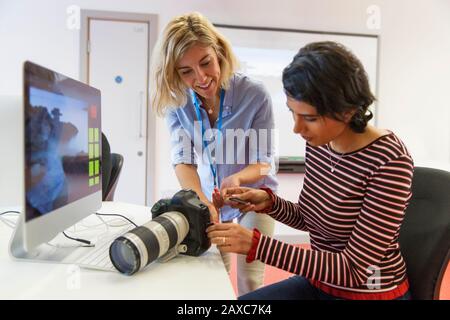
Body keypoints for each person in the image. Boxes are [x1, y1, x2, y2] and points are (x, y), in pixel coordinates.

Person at [207, 41, 413, 300]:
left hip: (369, 292)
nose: (297, 129)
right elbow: (313, 219)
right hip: (320, 283)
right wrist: (269, 203)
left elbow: (354, 270)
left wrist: (257, 245)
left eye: (310, 118)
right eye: (293, 113)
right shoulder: (320, 144)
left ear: (347, 110)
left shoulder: (390, 160)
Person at [150, 12, 278, 296]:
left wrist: (238, 179)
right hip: (210, 198)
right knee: (212, 276)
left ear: (219, 52)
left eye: (205, 63)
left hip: (255, 197)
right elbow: (183, 159)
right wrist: (202, 202)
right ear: (175, 73)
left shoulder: (254, 94)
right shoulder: (178, 102)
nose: (201, 78)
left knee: (250, 282)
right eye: (186, 71)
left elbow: (265, 164)